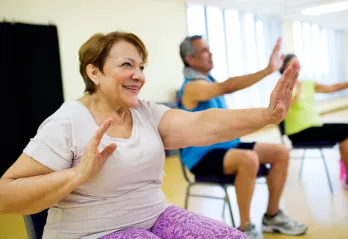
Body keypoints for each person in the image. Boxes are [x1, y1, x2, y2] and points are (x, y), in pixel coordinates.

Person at [0, 31, 298, 239]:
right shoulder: (67, 121)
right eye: (127, 65)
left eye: (141, 66)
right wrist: (77, 175)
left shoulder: (146, 112)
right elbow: (6, 194)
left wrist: (267, 115)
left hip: (155, 218)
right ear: (94, 73)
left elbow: (206, 123)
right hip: (91, 233)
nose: (139, 74)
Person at [177, 35, 308, 239]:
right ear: (189, 59)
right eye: (204, 50)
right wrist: (267, 71)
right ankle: (245, 227)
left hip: (228, 147)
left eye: (209, 49)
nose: (210, 53)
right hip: (202, 156)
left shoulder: (208, 80)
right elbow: (227, 87)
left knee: (280, 152)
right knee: (249, 159)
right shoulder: (192, 87)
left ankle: (272, 216)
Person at [280, 54, 348, 189]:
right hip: (298, 132)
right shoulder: (282, 88)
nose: (296, 67)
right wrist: (296, 92)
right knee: (345, 131)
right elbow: (280, 110)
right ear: (284, 68)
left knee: (346, 131)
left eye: (298, 63)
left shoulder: (307, 84)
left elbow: (331, 88)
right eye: (293, 63)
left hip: (316, 126)